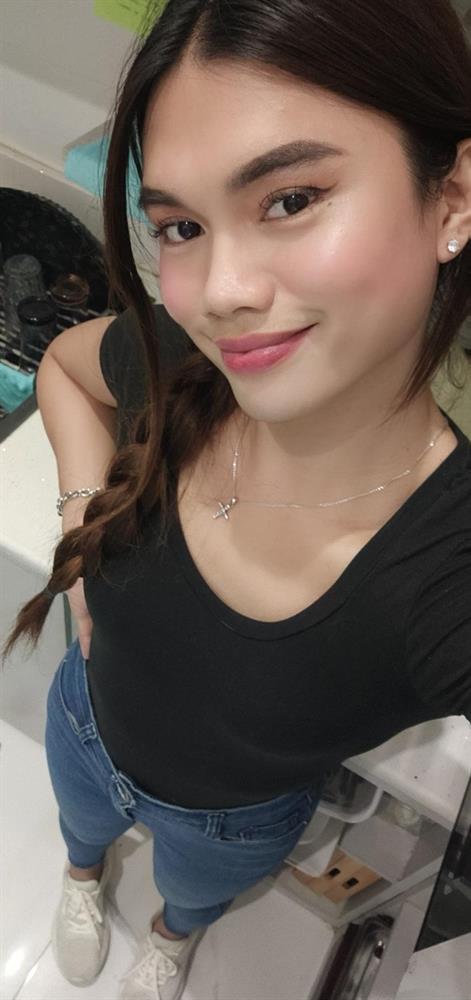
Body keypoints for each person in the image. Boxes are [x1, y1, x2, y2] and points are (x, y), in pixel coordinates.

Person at [2, 1, 471, 998]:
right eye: (180, 226)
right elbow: (64, 370)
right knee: (81, 830)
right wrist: (82, 515)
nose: (217, 291)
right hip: (85, 722)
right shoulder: (182, 360)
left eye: (290, 198)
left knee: (192, 895)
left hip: (231, 820)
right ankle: (83, 877)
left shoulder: (449, 568)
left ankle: (172, 935)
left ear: (453, 198)